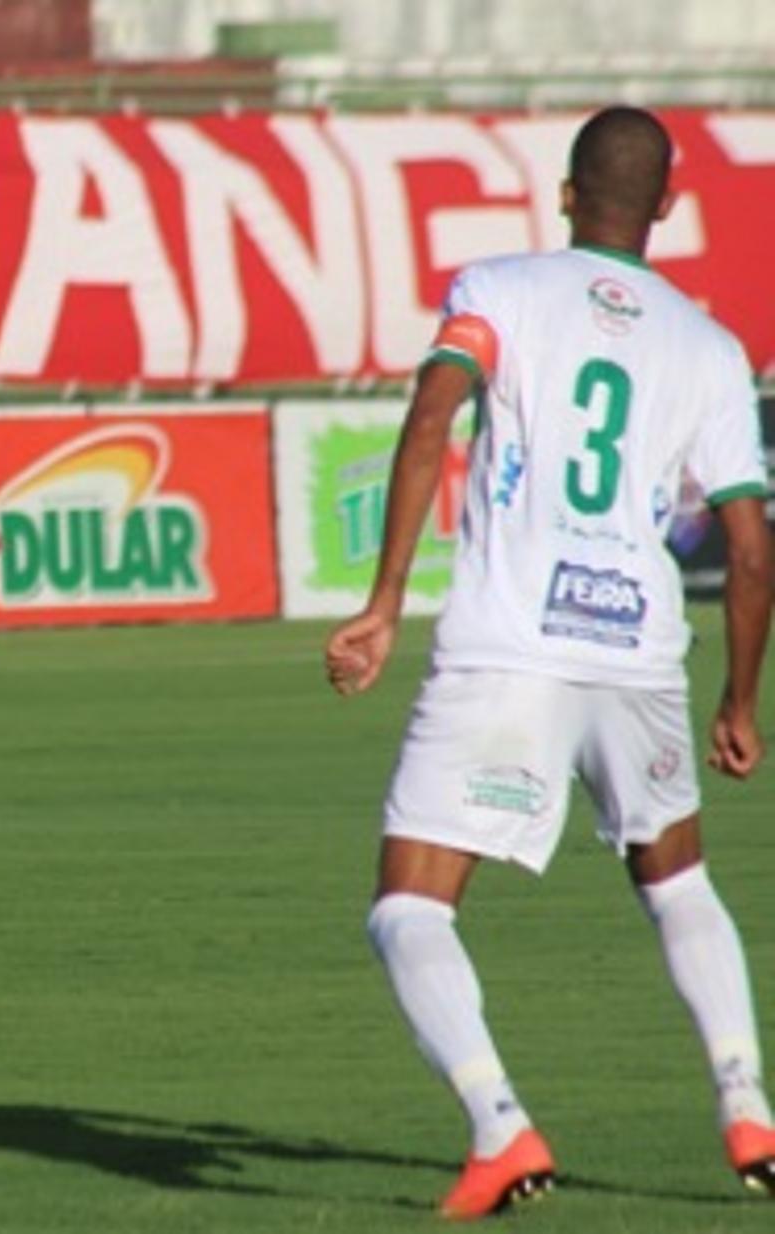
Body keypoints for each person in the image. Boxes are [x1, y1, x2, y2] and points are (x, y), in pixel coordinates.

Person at [325, 106, 773, 1219]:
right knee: (677, 881)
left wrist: (384, 603)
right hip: (639, 655)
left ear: (566, 193)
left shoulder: (499, 289)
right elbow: (753, 547)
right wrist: (740, 698)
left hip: (507, 651)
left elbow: (436, 406)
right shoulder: (709, 348)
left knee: (411, 909)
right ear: (668, 206)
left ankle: (499, 1126)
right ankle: (749, 1102)